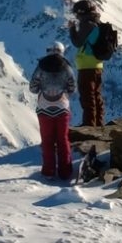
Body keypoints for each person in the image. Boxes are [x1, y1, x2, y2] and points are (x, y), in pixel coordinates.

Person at [29, 41, 77, 180]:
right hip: (62, 108)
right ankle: (65, 171)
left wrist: (43, 88)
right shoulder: (67, 67)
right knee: (63, 139)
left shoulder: (41, 67)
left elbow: (33, 88)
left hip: (44, 108)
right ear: (61, 51)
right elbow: (72, 87)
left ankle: (48, 171)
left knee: (47, 140)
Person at [68, 0, 105, 127]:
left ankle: (89, 125)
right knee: (96, 95)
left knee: (87, 96)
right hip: (97, 65)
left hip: (86, 66)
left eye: (77, 14)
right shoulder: (97, 23)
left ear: (81, 12)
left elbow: (77, 42)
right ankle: (99, 124)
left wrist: (72, 29)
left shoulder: (86, 24)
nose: (76, 16)